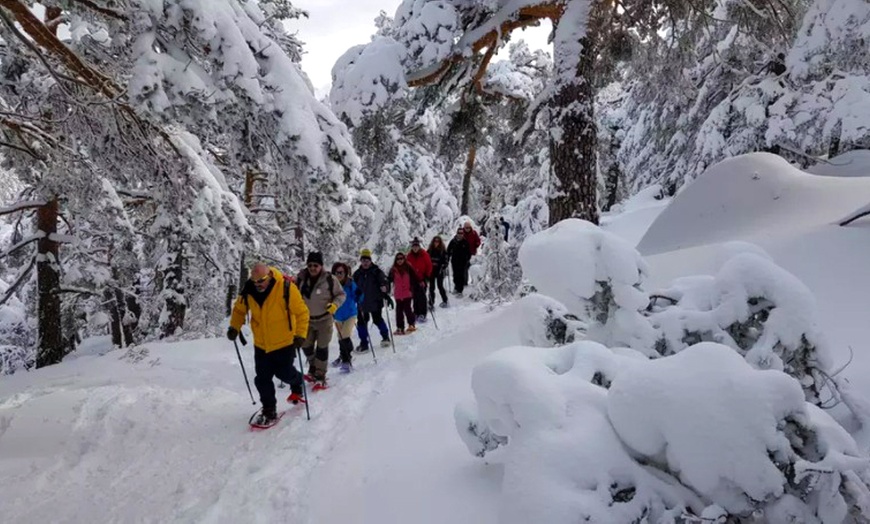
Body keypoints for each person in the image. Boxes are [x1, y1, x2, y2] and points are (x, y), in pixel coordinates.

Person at [227, 263, 309, 426]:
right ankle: (269, 409)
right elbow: (239, 310)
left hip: (284, 342)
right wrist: (234, 327)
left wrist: (300, 334)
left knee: (285, 374)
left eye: (261, 280)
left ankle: (297, 381)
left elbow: (302, 312)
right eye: (255, 281)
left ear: (269, 275)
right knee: (262, 379)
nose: (258, 284)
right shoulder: (249, 289)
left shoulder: (286, 287)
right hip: (261, 344)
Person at [296, 251, 345, 390]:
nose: (312, 268)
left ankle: (320, 375)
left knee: (322, 347)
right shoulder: (300, 278)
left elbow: (341, 295)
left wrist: (334, 305)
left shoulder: (330, 279)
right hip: (306, 320)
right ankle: (313, 366)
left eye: (315, 265)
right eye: (310, 265)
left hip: (324, 318)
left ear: (321, 266)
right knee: (305, 345)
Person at [353, 248, 393, 351]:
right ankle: (364, 343)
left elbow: (386, 282)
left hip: (375, 301)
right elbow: (353, 286)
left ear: (370, 261)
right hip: (362, 303)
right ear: (361, 261)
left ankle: (385, 337)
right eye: (363, 260)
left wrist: (385, 288)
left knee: (377, 320)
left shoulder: (377, 272)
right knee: (361, 323)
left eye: (367, 260)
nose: (365, 263)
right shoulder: (357, 274)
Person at [330, 262, 359, 373]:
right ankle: (343, 355)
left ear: (345, 273)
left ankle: (346, 359)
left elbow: (358, 296)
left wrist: (359, 295)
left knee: (345, 335)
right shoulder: (331, 285)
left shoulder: (350, 284)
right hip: (337, 315)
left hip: (350, 314)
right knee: (340, 337)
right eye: (336, 272)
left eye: (341, 272)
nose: (339, 274)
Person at [388, 252, 418, 335]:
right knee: (399, 311)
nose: (400, 260)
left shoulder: (408, 268)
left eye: (401, 258)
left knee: (407, 309)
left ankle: (411, 324)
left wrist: (414, 288)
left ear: (404, 259)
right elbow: (389, 280)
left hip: (407, 292)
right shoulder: (393, 270)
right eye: (398, 259)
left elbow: (414, 278)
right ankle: (400, 327)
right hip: (398, 294)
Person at [406, 236, 432, 322]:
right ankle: (416, 312)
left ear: (419, 246)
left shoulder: (424, 254)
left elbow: (429, 266)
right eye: (414, 246)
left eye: (416, 246)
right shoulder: (409, 256)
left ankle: (423, 313)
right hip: (413, 280)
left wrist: (426, 277)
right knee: (415, 297)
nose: (415, 248)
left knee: (422, 296)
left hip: (422, 278)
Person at [448, 227, 472, 296]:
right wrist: (447, 257)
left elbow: (469, 252)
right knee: (455, 275)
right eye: (459, 233)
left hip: (463, 262)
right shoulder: (453, 241)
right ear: (457, 233)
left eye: (461, 233)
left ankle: (460, 290)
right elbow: (448, 250)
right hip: (454, 261)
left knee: (461, 276)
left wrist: (467, 259)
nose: (460, 234)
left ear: (463, 234)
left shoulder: (465, 242)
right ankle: (456, 287)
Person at [427, 235, 449, 308]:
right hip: (431, 271)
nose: (436, 243)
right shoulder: (430, 250)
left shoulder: (443, 251)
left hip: (439, 271)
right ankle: (431, 303)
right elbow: (426, 259)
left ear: (440, 242)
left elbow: (446, 261)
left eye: (438, 241)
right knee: (431, 288)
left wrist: (443, 266)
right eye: (435, 241)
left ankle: (445, 300)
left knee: (440, 286)